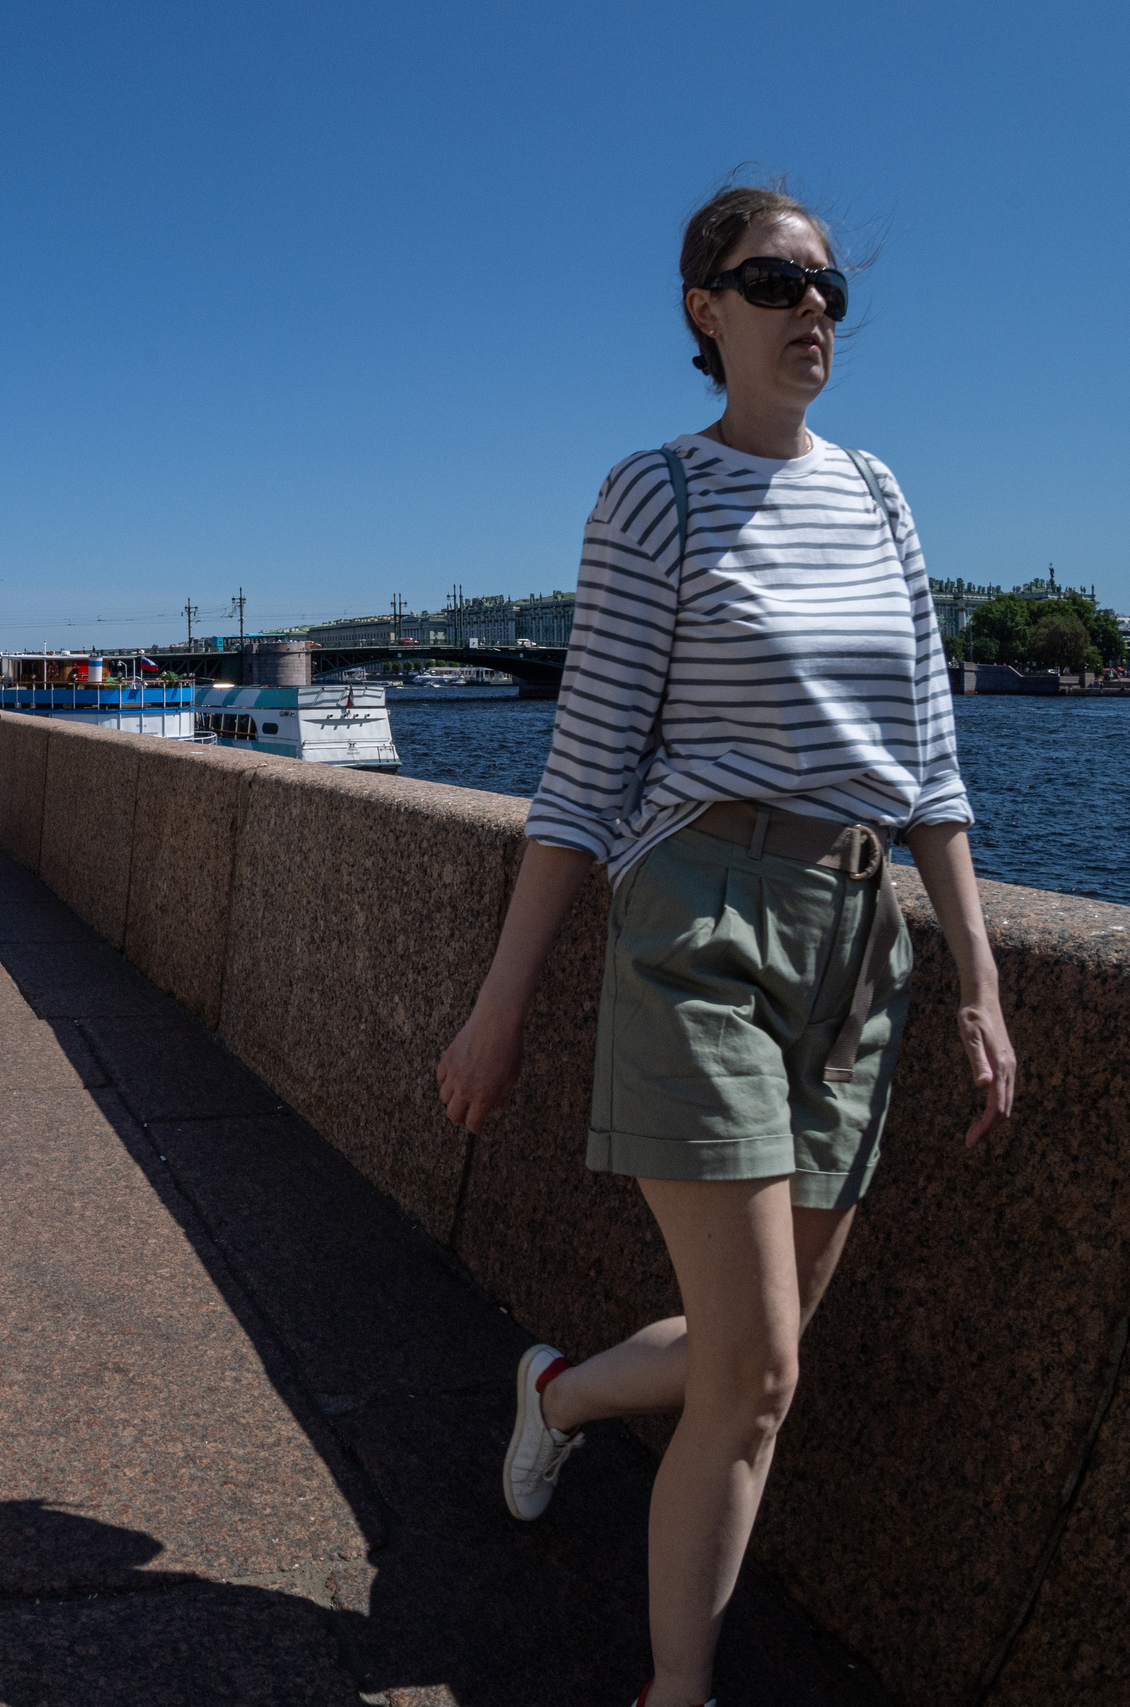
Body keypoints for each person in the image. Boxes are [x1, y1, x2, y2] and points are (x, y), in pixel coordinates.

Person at [434, 182, 1019, 1707]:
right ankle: (677, 1687)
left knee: (758, 1348)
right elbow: (584, 771)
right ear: (705, 309)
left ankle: (563, 1392)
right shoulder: (659, 495)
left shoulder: (880, 496)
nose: (811, 305)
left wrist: (979, 978)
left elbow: (933, 764)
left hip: (859, 935)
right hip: (701, 921)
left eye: (828, 285)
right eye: (774, 280)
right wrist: (502, 1003)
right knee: (757, 1372)